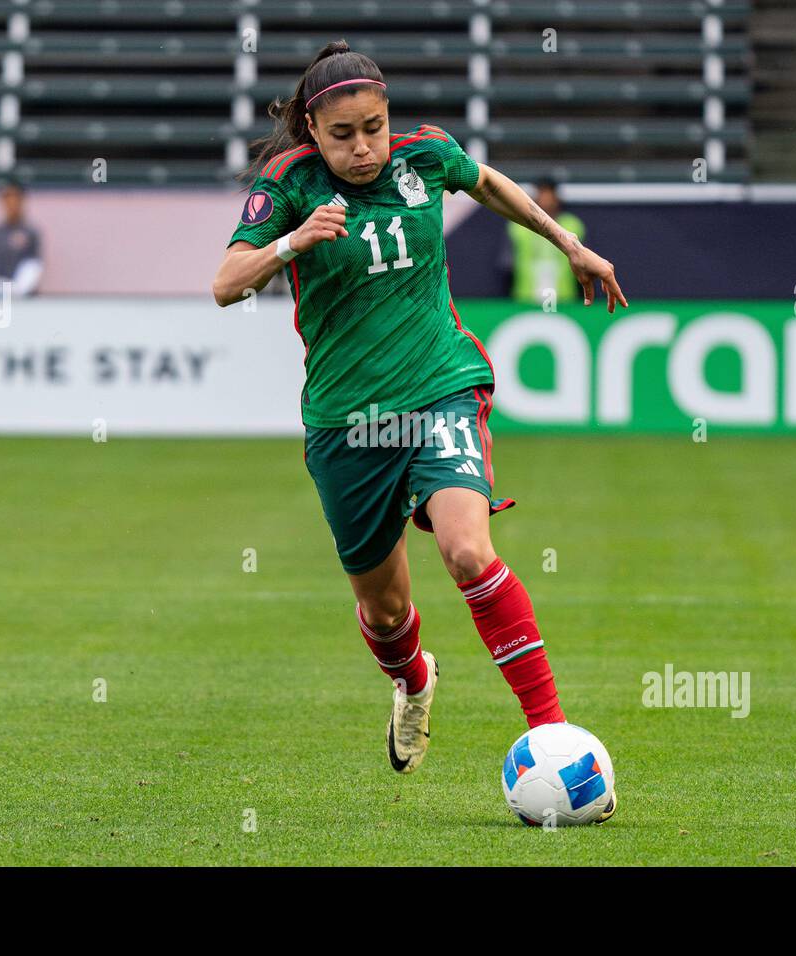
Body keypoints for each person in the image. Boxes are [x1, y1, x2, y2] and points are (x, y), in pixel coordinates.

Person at [212, 41, 626, 809]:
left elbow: (489, 183)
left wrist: (569, 242)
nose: (363, 146)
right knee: (386, 609)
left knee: (469, 552)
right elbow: (225, 284)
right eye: (343, 135)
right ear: (313, 128)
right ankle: (413, 680)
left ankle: (552, 734)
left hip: (441, 386)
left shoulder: (425, 156)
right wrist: (293, 240)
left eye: (374, 126)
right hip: (347, 422)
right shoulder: (289, 184)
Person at [505, 176, 587, 304]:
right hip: (526, 298)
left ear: (556, 197)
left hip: (564, 299)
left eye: (549, 194)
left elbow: (584, 264)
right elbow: (507, 264)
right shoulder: (518, 226)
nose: (546, 200)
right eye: (542, 194)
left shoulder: (572, 225)